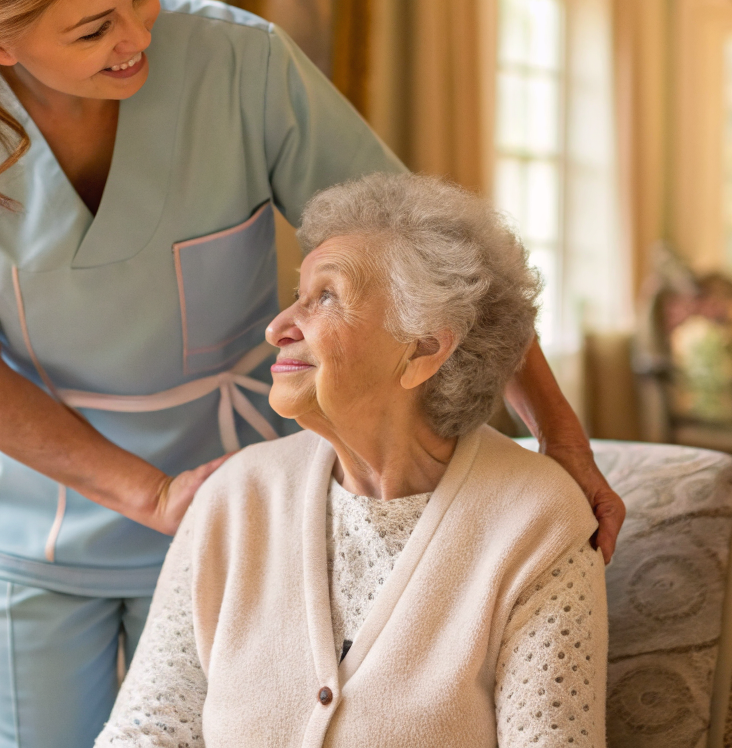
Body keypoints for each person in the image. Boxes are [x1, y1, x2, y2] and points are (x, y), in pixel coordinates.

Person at [0, 0, 623, 748]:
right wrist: (154, 495)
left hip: (253, 502)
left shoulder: (237, 60)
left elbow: (438, 261)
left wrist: (560, 438)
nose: (138, 35)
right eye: (94, 28)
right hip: (37, 512)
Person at [97, 172, 607, 748]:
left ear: (423, 348)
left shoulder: (539, 523)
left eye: (326, 297)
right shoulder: (235, 498)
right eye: (299, 295)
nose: (277, 327)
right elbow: (151, 728)